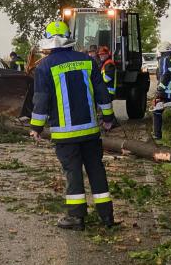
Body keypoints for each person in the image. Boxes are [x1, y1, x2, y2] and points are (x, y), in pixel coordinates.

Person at [29, 21, 117, 231]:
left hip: (65, 135)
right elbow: (102, 93)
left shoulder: (44, 67)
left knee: (73, 172)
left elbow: (41, 100)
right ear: (69, 37)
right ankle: (107, 216)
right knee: (96, 169)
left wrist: (36, 127)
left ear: (48, 39)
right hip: (90, 131)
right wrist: (108, 118)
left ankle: (76, 218)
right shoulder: (87, 60)